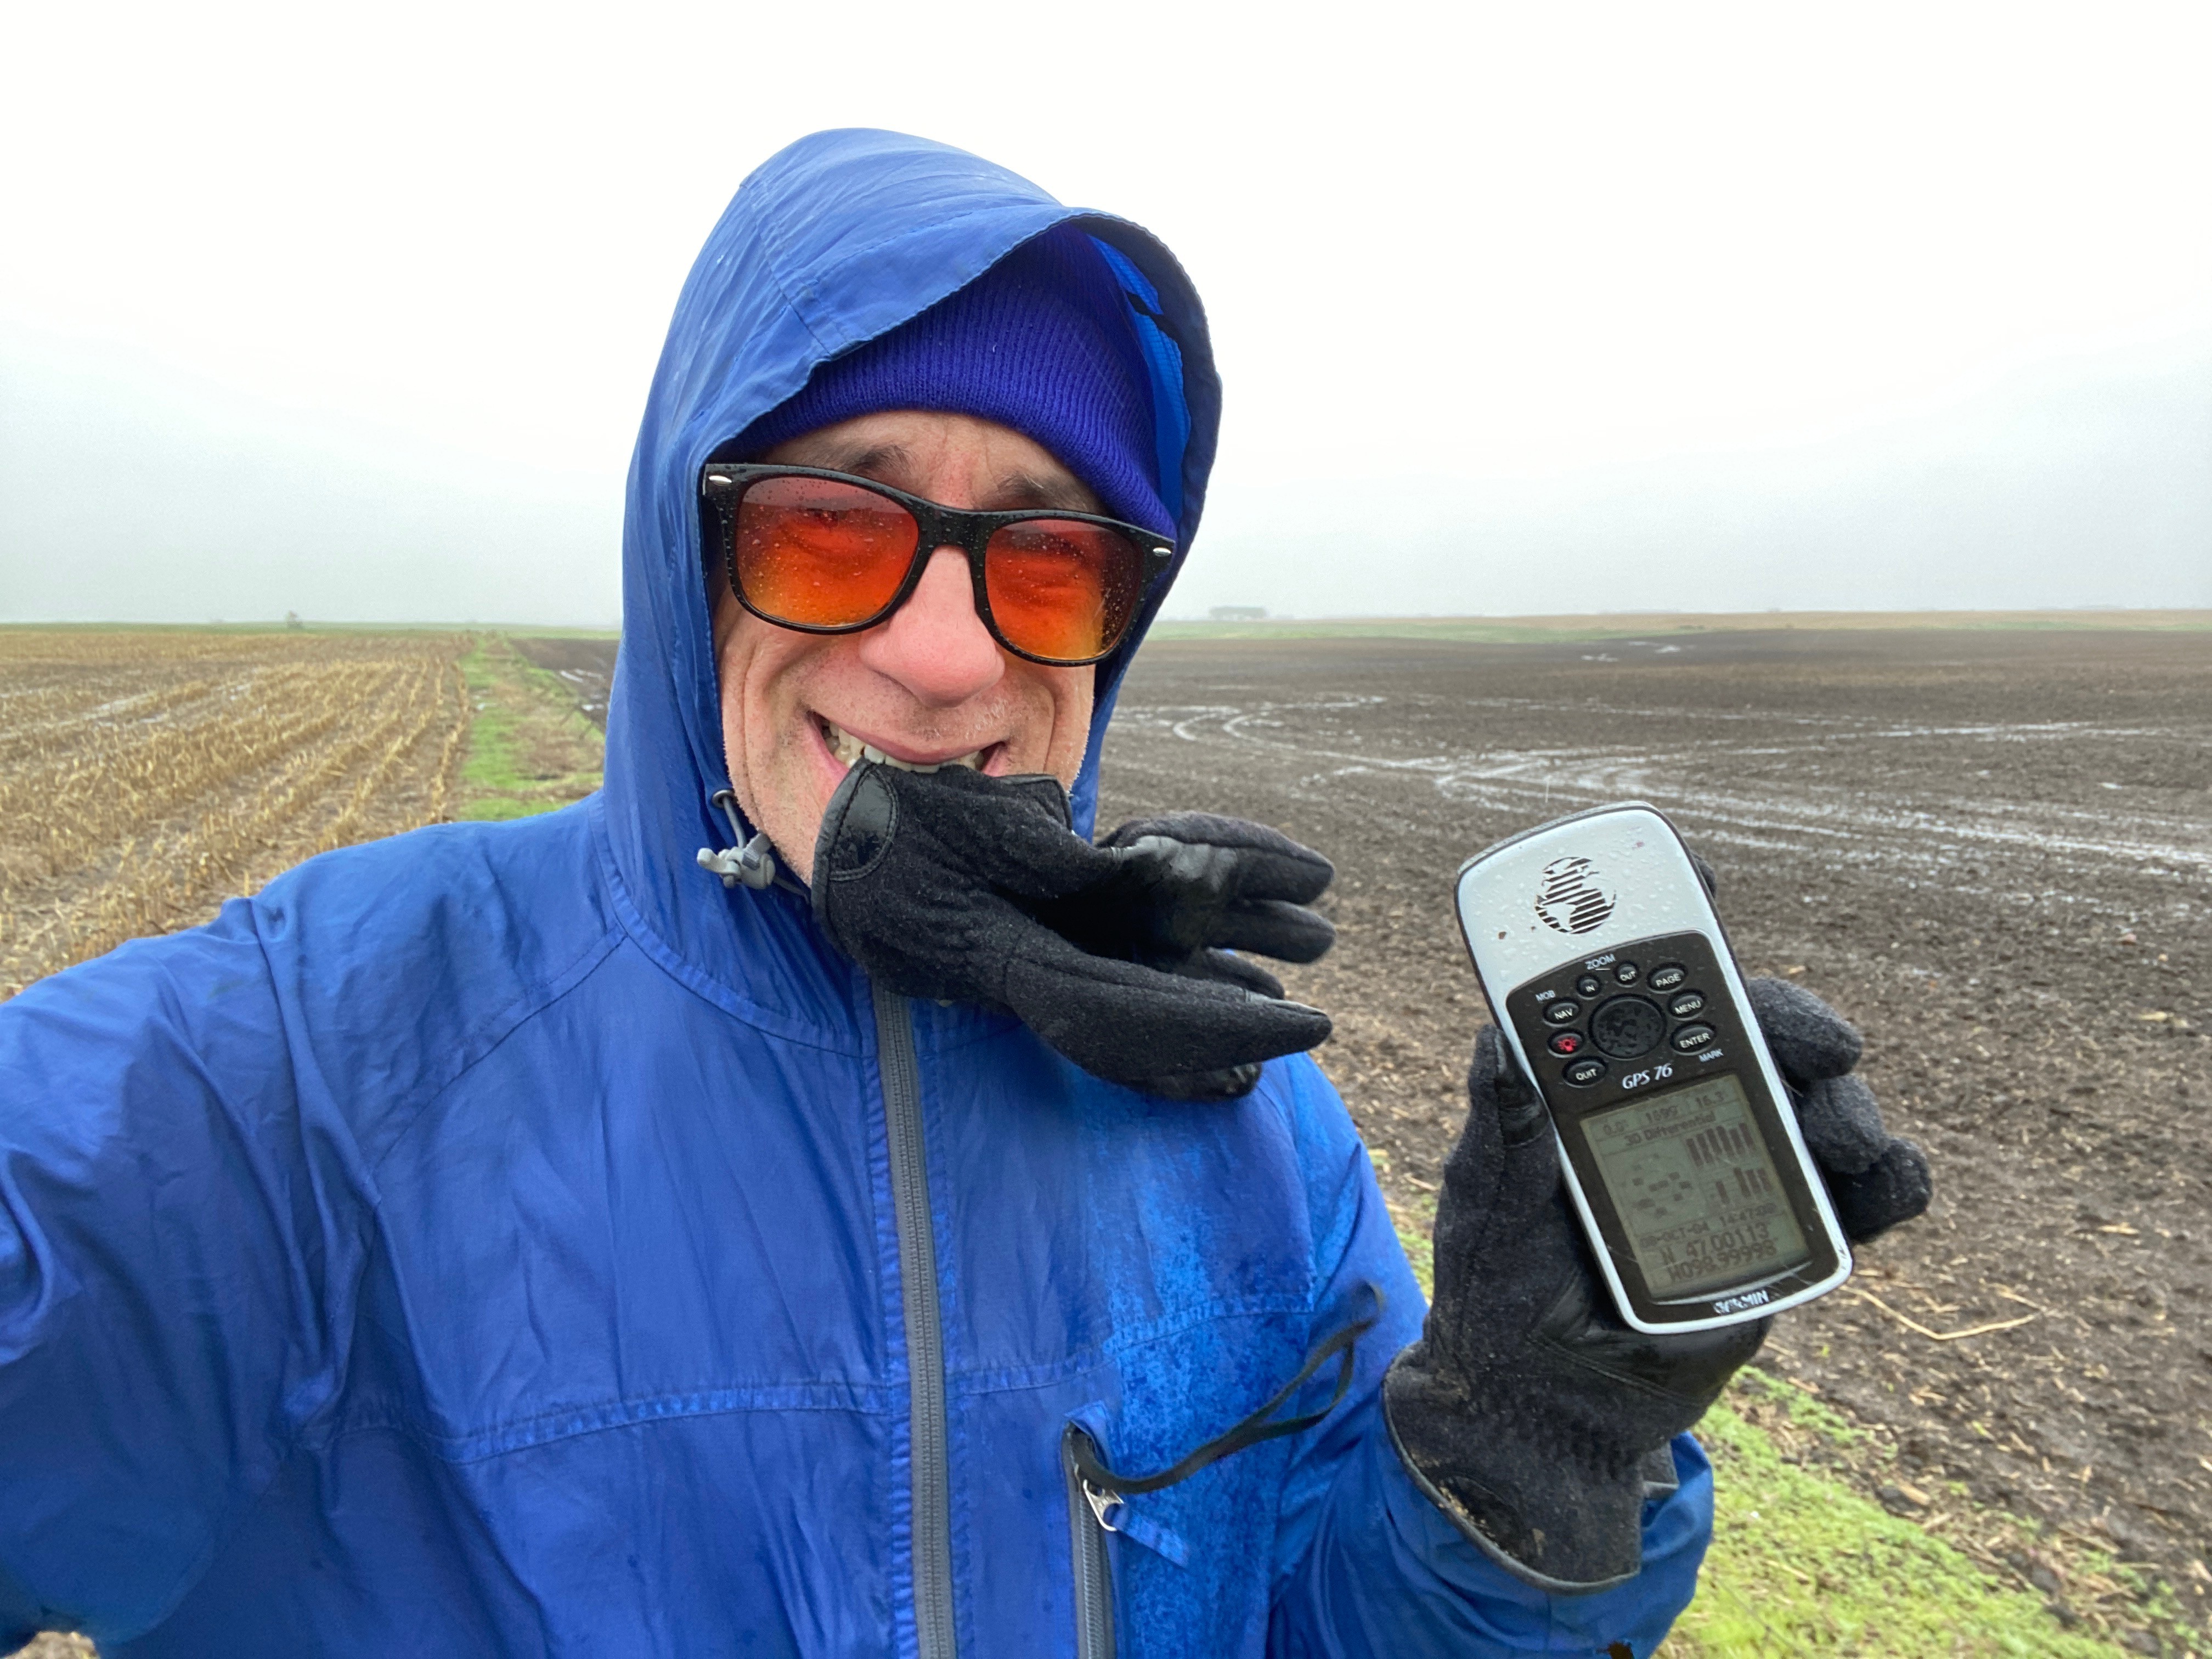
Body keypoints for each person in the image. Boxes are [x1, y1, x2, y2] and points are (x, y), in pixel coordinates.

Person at [0, 129, 1927, 1656]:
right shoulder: (299, 1069)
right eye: (834, 526)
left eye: (1050, 561)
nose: (941, 656)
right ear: (692, 551)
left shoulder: (1250, 1124)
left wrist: (1523, 1461)